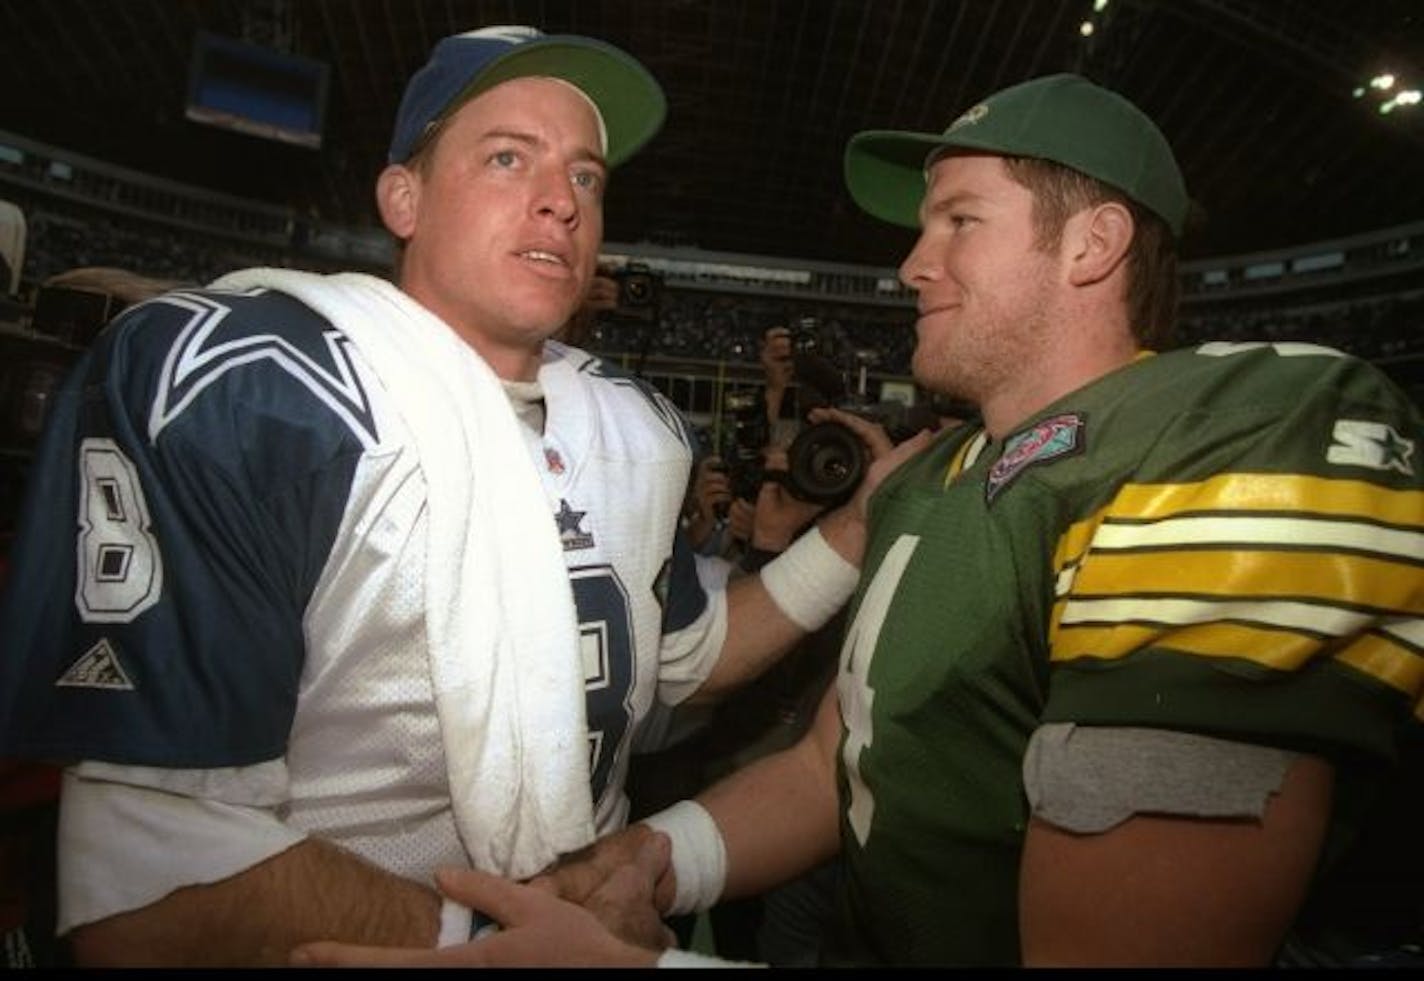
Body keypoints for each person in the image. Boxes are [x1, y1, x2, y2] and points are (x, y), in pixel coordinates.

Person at [295, 72, 1424, 968]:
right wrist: (651, 860)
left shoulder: (1212, 441)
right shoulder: (933, 481)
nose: (907, 263)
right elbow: (833, 766)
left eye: (956, 222)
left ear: (1091, 247)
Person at [0, 25, 893, 967]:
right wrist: (506, 941)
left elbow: (688, 657)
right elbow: (150, 888)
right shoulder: (257, 386)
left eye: (586, 176)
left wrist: (856, 524)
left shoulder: (638, 427)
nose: (559, 201)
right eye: (508, 157)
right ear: (404, 196)